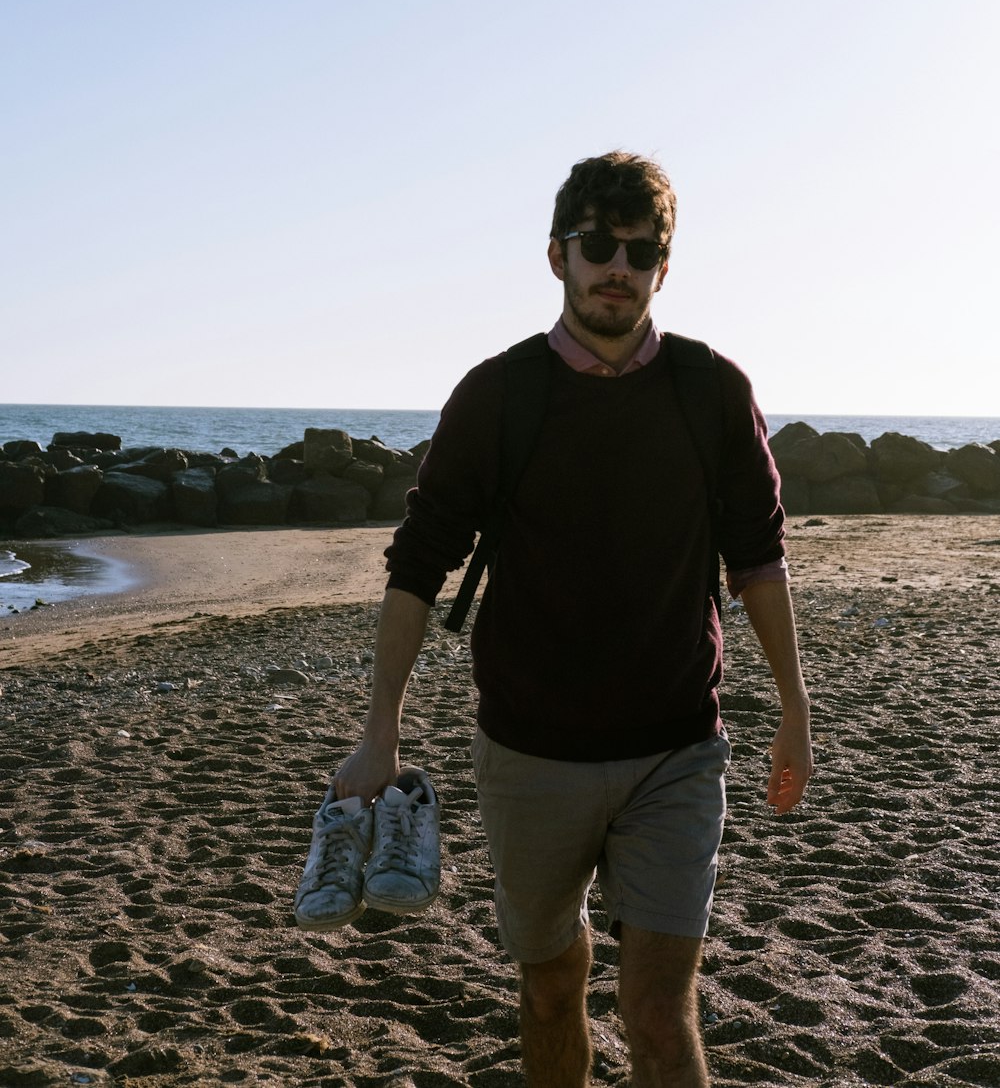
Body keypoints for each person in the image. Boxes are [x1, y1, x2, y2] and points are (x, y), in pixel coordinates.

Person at [333, 150, 813, 1088]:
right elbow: (418, 562)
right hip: (530, 751)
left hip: (678, 747)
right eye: (597, 243)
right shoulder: (498, 395)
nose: (617, 266)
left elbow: (758, 553)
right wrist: (377, 732)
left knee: (660, 1012)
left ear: (663, 269)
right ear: (557, 255)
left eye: (641, 250)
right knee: (552, 988)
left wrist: (794, 700)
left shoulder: (712, 392)